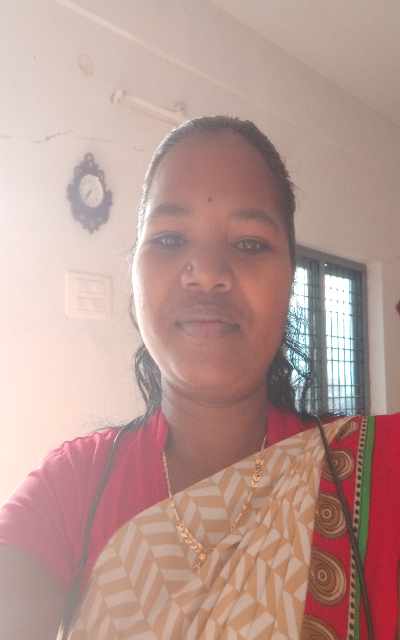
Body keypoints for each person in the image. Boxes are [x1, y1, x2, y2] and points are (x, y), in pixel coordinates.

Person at [0, 116, 398, 640]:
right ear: (134, 274)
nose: (207, 272)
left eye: (250, 244)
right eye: (169, 238)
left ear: (289, 278)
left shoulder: (376, 476)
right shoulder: (71, 488)